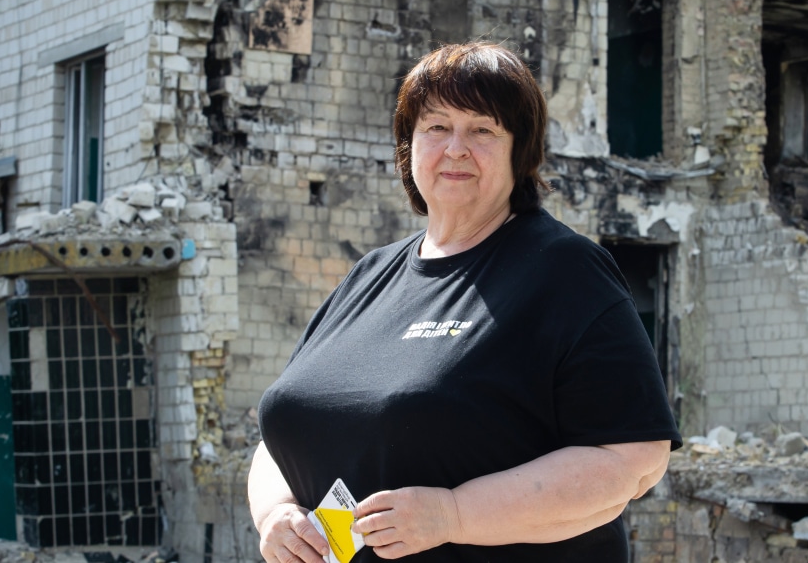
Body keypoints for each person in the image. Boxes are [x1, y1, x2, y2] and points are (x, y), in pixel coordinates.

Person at [248, 42, 682, 563]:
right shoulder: (369, 274)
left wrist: (455, 514)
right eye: (436, 127)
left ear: (519, 152)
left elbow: (633, 460)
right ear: (409, 147)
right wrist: (274, 514)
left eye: (482, 129)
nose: (456, 148)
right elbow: (285, 432)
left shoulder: (563, 271)